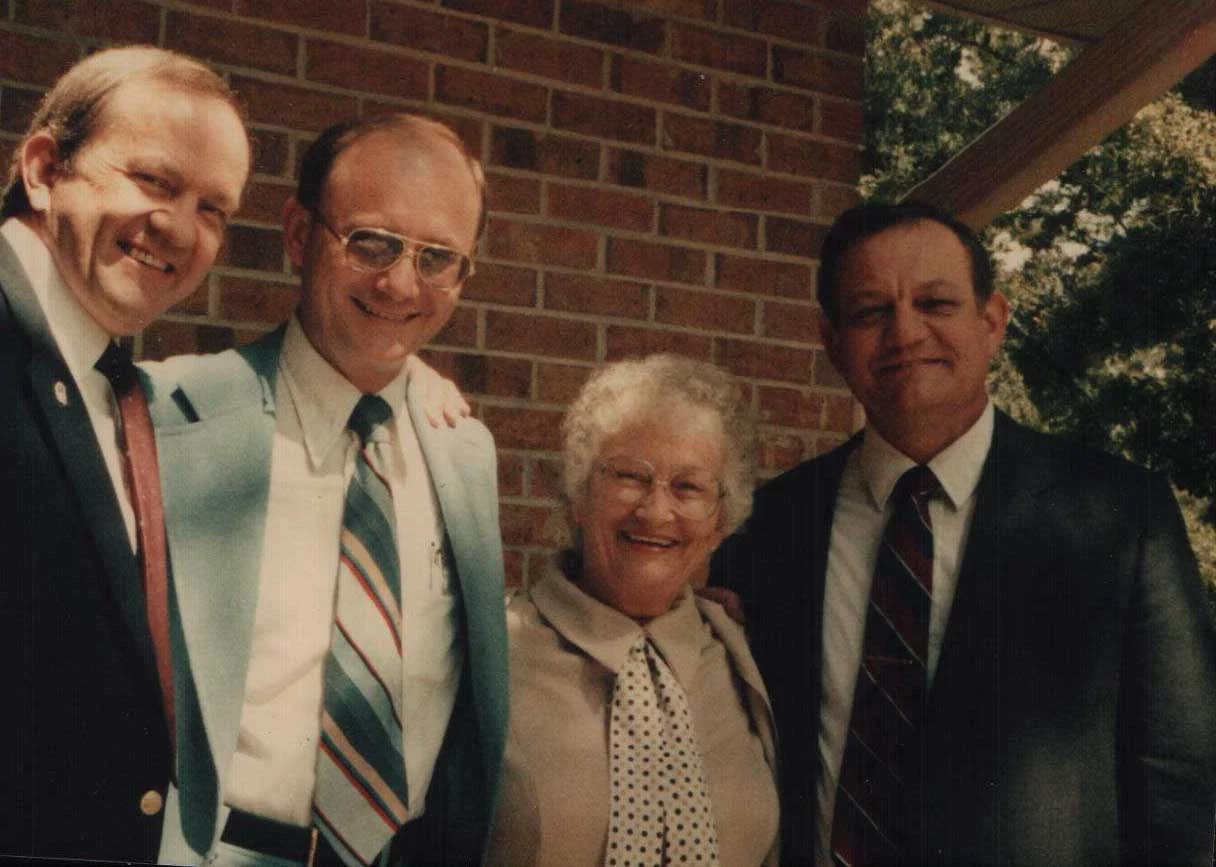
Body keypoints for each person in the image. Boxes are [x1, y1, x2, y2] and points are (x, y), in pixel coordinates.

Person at [712, 201, 1216, 865]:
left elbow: (1184, 788)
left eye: (935, 302)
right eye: (871, 312)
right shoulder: (767, 525)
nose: (905, 332)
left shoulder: (1120, 517)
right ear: (831, 343)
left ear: (992, 321)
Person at [147, 113, 508, 867]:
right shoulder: (169, 419)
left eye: (438, 257)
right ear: (298, 233)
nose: (401, 283)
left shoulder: (463, 451)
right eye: (371, 242)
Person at [0, 46, 250, 861]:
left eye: (215, 209)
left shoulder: (119, 383)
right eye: (154, 181)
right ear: (43, 169)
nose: (181, 228)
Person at [489, 354, 780, 866]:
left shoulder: (740, 657)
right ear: (578, 495)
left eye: (688, 486)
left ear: (719, 522)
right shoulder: (493, 650)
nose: (654, 510)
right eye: (629, 475)